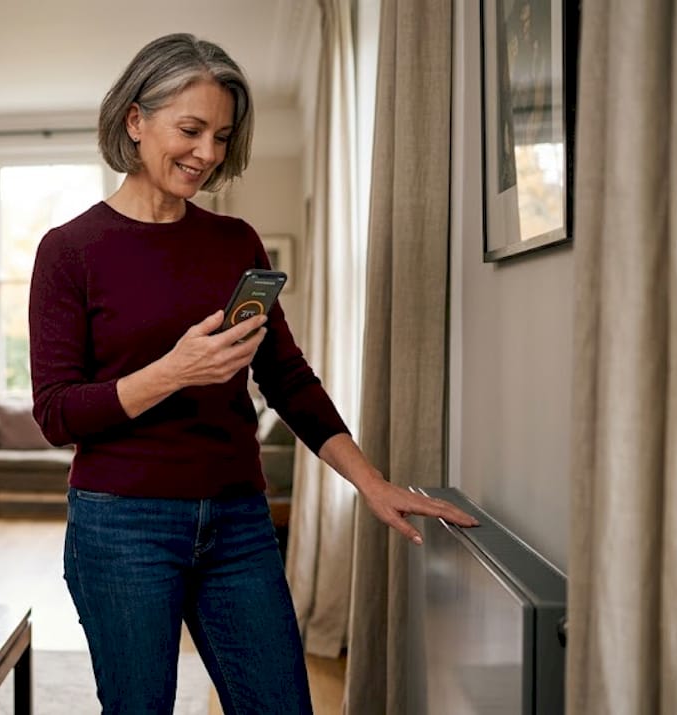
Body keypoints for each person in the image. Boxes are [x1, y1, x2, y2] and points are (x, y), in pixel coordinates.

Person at [27, 33, 478, 714]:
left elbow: (287, 378)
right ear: (135, 120)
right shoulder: (69, 251)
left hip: (237, 519)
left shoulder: (233, 241)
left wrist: (371, 482)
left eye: (221, 134)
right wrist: (174, 371)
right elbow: (58, 413)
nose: (207, 153)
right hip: (122, 527)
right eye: (190, 129)